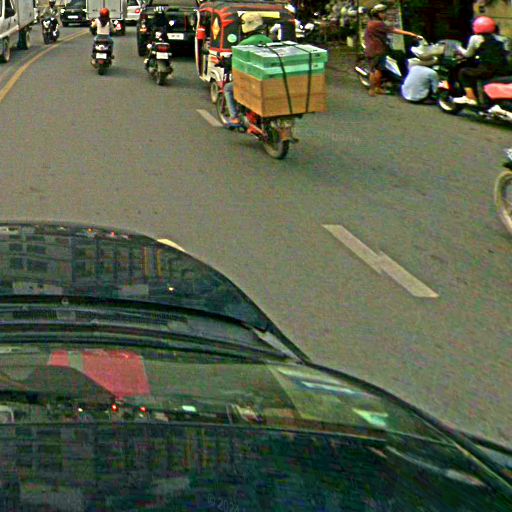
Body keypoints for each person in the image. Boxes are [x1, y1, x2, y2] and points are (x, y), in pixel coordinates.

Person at [224, 12, 272, 127]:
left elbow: (236, 61)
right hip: (267, 79)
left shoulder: (244, 43)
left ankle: (235, 118)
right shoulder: (268, 40)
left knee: (228, 88)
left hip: (251, 80)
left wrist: (225, 62)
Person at [364, 3, 422, 97]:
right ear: (377, 14)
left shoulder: (371, 23)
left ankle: (376, 88)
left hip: (372, 49)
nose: (384, 15)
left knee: (375, 69)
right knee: (376, 70)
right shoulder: (378, 24)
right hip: (377, 50)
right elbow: (394, 30)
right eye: (382, 13)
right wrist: (411, 34)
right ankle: (374, 89)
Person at [453, 16, 508, 105]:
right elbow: (507, 52)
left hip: (487, 69)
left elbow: (468, 54)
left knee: (463, 72)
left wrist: (459, 48)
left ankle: (470, 97)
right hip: (504, 69)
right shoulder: (502, 39)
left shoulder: (475, 38)